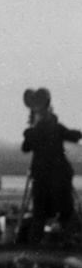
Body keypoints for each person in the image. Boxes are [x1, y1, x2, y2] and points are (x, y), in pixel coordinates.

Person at [21, 88, 81, 239]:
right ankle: (71, 240)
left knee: (39, 215)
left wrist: (31, 128)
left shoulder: (35, 131)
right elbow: (74, 135)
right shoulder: (56, 128)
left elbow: (26, 147)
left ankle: (34, 245)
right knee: (66, 213)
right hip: (60, 179)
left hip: (42, 180)